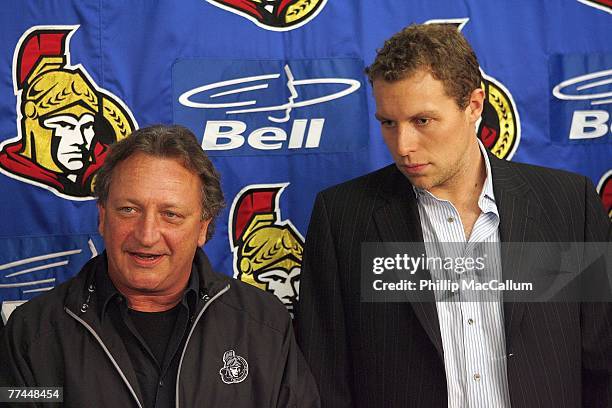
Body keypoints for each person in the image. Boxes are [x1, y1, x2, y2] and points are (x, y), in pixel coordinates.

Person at [295, 24, 611, 408]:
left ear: (474, 105)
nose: (403, 146)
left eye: (422, 121)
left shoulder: (567, 203)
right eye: (388, 123)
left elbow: (601, 362)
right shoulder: (343, 216)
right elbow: (325, 378)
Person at [0, 125, 320, 407]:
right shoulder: (34, 332)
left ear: (202, 228)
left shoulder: (263, 324)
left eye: (171, 214)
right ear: (102, 218)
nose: (147, 234)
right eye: (128, 210)